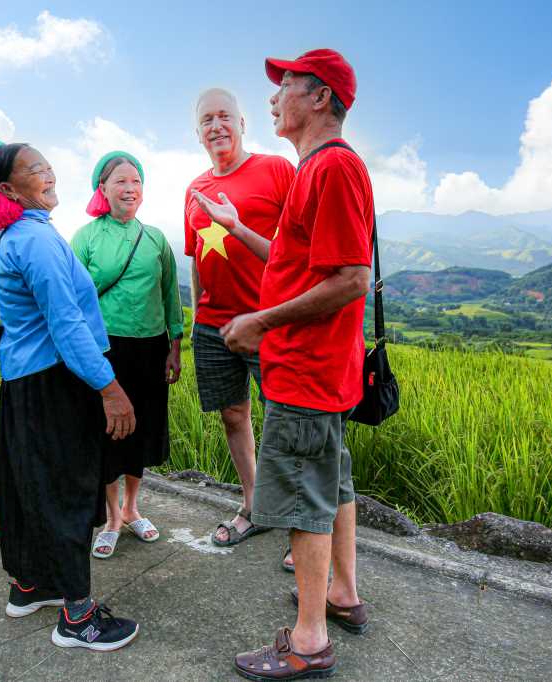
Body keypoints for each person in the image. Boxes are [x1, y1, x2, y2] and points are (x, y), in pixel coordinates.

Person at [192, 50, 373, 680]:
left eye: (285, 86)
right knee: (331, 485)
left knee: (300, 496)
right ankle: (342, 596)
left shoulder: (333, 169)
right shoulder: (315, 169)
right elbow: (297, 262)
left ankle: (308, 641)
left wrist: (261, 322)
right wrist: (237, 228)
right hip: (316, 368)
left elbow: (353, 279)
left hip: (305, 366)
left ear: (319, 97)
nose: (274, 99)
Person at [0, 140, 140, 651]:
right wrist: (110, 388)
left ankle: (30, 586)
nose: (48, 174)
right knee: (66, 493)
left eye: (48, 165)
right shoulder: (38, 240)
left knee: (31, 488)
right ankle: (78, 618)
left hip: (26, 384)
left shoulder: (20, 235)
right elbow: (66, 323)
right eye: (34, 170)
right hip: (51, 383)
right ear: (8, 189)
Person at [184, 90, 295, 550]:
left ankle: (301, 529)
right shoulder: (194, 188)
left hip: (269, 321)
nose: (216, 126)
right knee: (234, 415)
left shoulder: (276, 170)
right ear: (198, 132)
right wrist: (194, 319)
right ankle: (253, 506)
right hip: (213, 326)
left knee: (286, 420)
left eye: (224, 116)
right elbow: (195, 261)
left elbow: (298, 251)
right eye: (206, 119)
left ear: (243, 122)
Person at [71, 151, 184, 559]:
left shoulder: (155, 238)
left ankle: (133, 508)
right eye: (120, 181)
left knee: (142, 429)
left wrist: (175, 345)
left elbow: (170, 292)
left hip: (151, 347)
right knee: (108, 430)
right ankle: (112, 515)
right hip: (105, 349)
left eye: (135, 181)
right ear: (102, 189)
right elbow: (73, 298)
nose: (129, 188)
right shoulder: (86, 237)